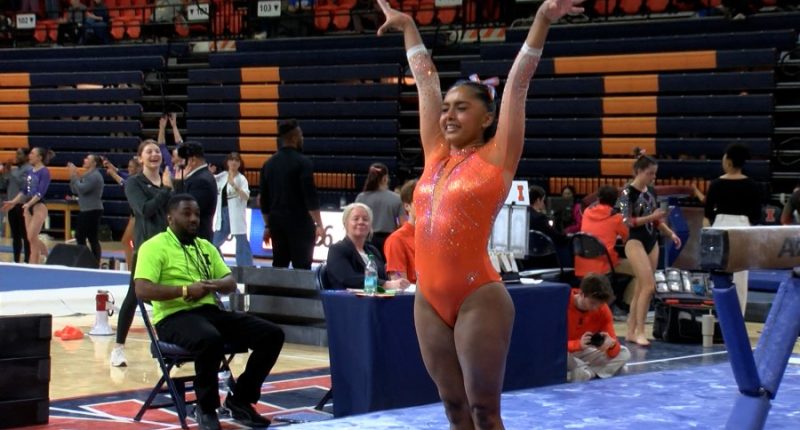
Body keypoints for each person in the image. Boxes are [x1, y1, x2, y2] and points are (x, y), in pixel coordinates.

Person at [377, 0, 582, 426]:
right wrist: (410, 26)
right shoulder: (435, 153)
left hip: (478, 296)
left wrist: (542, 19)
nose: (448, 114)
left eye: (461, 108)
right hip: (427, 299)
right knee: (453, 408)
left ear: (487, 118)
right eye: (446, 108)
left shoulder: (498, 156)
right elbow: (425, 82)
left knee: (483, 409)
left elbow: (518, 86)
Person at [134, 194, 283, 429]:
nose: (194, 219)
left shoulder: (205, 246)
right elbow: (142, 289)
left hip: (209, 311)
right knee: (209, 339)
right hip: (173, 317)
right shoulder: (153, 247)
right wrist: (184, 290)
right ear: (170, 217)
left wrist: (211, 285)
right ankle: (206, 408)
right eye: (187, 214)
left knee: (272, 334)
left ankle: (241, 400)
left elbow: (230, 282)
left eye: (196, 214)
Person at [110, 140, 173, 368]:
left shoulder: (167, 182)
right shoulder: (134, 183)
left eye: (157, 151)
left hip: (168, 249)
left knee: (167, 296)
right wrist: (166, 190)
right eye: (149, 151)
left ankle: (166, 347)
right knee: (134, 296)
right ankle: (118, 348)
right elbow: (145, 210)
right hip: (146, 249)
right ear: (140, 158)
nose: (154, 154)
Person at [617, 149, 681, 347]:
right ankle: (641, 331)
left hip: (651, 241)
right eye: (650, 173)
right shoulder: (627, 192)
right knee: (648, 286)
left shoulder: (651, 191)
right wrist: (652, 218)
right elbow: (628, 221)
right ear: (639, 171)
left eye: (655, 173)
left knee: (640, 290)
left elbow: (656, 220)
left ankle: (630, 331)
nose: (653, 177)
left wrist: (670, 233)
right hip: (634, 241)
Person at [259, 119, 324, 269]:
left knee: (279, 266)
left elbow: (263, 201)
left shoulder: (268, 164)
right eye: (300, 135)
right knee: (302, 268)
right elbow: (310, 197)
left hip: (277, 223)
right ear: (294, 138)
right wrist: (319, 224)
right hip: (300, 223)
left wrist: (267, 226)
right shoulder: (303, 162)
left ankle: (277, 293)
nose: (302, 138)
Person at [575, 185, 633, 314]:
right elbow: (628, 240)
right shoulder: (617, 218)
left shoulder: (587, 213)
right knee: (640, 270)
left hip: (582, 264)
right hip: (603, 264)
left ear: (598, 198)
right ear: (616, 200)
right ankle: (626, 305)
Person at [325, 203, 410, 291]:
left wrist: (393, 278)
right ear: (345, 223)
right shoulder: (337, 250)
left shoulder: (373, 250)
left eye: (365, 219)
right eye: (356, 219)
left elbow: (382, 277)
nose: (361, 222)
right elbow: (348, 279)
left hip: (377, 299)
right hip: (349, 301)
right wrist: (386, 284)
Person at [566, 274, 631, 382]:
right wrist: (577, 344)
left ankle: (588, 374)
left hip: (585, 352)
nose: (596, 308)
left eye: (600, 304)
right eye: (592, 303)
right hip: (564, 352)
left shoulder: (603, 309)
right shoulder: (563, 302)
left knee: (624, 352)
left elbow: (614, 351)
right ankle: (591, 372)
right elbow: (551, 344)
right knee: (622, 369)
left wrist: (611, 345)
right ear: (581, 294)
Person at [2, 148, 54, 265]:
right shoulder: (31, 171)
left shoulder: (44, 172)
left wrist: (30, 203)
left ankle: (41, 257)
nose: (29, 156)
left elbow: (40, 192)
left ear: (39, 157)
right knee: (31, 238)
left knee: (31, 235)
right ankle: (34, 262)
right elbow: (24, 191)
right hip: (28, 206)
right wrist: (13, 202)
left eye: (32, 154)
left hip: (38, 206)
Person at [704, 143, 763, 227]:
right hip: (744, 228)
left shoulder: (716, 184)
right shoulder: (753, 185)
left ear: (729, 162)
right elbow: (756, 215)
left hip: (720, 226)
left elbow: (708, 213)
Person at [355, 162, 404, 259]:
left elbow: (354, 220)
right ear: (385, 178)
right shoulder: (397, 199)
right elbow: (402, 224)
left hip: (367, 241)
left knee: (369, 268)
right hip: (389, 241)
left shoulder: (361, 198)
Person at [212, 152, 254, 267]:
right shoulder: (223, 176)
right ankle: (221, 266)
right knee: (213, 244)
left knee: (242, 243)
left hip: (236, 215)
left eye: (236, 160)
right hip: (223, 214)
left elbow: (246, 196)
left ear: (240, 164)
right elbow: (211, 181)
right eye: (232, 160)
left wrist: (235, 186)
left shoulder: (242, 179)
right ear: (227, 162)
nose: (234, 162)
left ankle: (246, 269)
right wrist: (210, 173)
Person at [173, 141, 217, 242]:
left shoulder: (201, 181)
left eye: (181, 161)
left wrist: (178, 185)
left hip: (195, 238)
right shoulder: (202, 176)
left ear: (192, 160)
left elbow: (185, 209)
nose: (178, 165)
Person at [104, 156, 142, 269]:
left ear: (138, 168)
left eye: (131, 167)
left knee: (129, 241)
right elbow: (124, 175)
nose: (128, 169)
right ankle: (132, 267)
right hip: (134, 214)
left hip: (139, 215)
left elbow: (124, 183)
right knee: (128, 241)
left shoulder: (138, 180)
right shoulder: (133, 177)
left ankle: (133, 268)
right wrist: (112, 168)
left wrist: (113, 174)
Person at [68, 153, 105, 266]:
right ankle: (90, 260)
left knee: (82, 236)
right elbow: (75, 189)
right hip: (88, 208)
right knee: (90, 237)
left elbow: (82, 189)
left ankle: (88, 260)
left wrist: (75, 175)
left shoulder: (94, 176)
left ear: (94, 163)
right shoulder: (87, 175)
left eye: (87, 159)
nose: (84, 160)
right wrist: (74, 178)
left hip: (92, 209)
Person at [1, 149, 31, 263]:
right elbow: (4, 183)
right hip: (12, 205)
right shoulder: (14, 170)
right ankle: (16, 259)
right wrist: (5, 172)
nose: (16, 156)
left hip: (22, 204)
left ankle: (28, 259)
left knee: (25, 234)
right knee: (15, 235)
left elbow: (24, 185)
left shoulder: (29, 169)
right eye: (16, 154)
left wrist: (11, 173)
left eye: (19, 154)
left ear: (26, 156)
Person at [383, 179, 417, 283]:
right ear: (407, 206)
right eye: (420, 200)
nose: (427, 205)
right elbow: (400, 285)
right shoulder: (397, 240)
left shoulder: (438, 239)